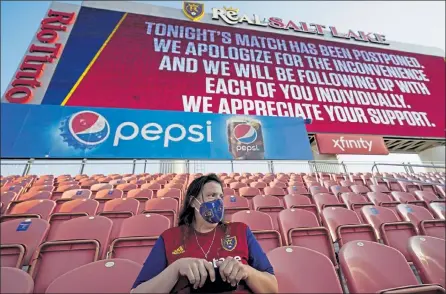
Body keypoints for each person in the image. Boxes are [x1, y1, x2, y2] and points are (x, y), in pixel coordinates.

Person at [131, 174, 278, 294]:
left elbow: (272, 288)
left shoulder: (241, 231)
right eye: (211, 195)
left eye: (220, 196)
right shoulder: (169, 238)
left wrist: (246, 271)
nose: (218, 201)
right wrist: (176, 269)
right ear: (193, 202)